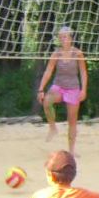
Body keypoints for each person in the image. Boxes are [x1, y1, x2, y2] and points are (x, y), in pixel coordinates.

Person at [36, 26, 88, 154]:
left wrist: (83, 90)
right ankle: (53, 128)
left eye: (65, 37)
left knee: (72, 121)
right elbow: (48, 71)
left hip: (73, 88)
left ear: (70, 38)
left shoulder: (78, 53)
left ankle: (71, 151)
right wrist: (41, 89)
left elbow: (83, 72)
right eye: (60, 37)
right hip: (58, 86)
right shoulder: (56, 53)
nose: (63, 39)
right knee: (47, 101)